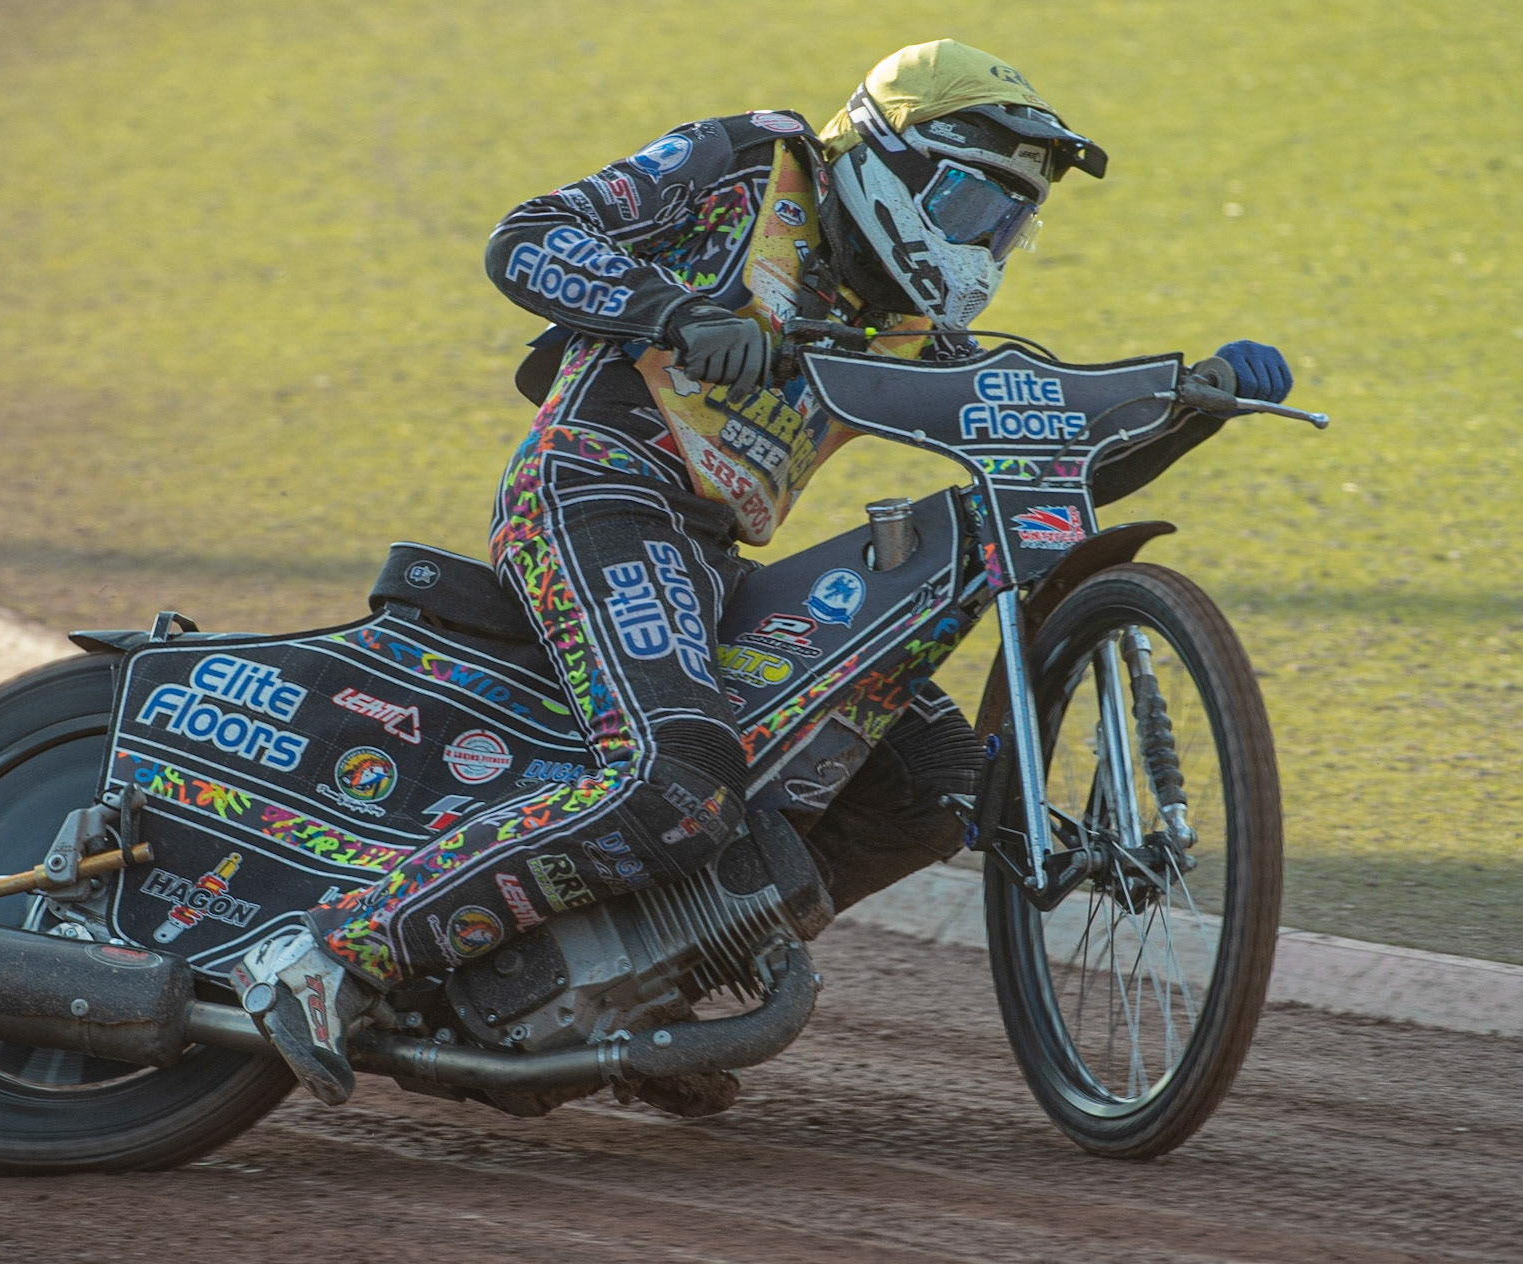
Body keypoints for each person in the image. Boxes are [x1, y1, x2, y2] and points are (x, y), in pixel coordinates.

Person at [234, 38, 1294, 1105]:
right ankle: (329, 955)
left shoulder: (912, 326)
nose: (982, 246)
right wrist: (680, 313)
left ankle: (642, 985)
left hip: (711, 557)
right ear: (895, 158)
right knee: (678, 778)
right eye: (971, 206)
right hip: (593, 491)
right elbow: (529, 237)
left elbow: (1039, 466)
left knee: (931, 783)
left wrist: (1192, 406)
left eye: (1007, 224)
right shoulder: (750, 161)